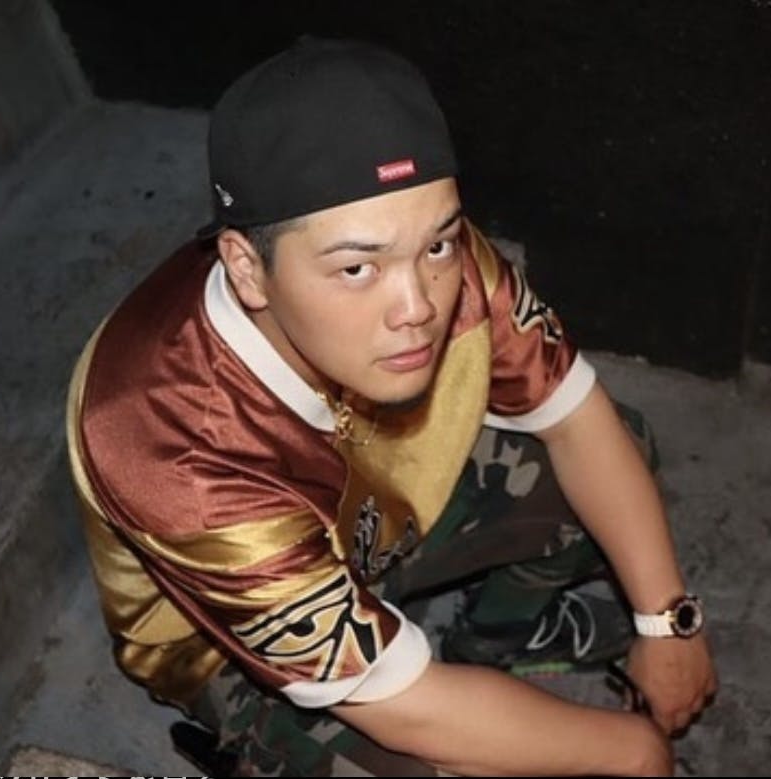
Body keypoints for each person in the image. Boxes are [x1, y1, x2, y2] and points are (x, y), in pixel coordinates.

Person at [66, 34, 716, 777]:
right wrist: (635, 753)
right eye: (356, 268)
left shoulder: (431, 258)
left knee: (617, 449)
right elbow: (405, 704)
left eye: (437, 244)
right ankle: (252, 743)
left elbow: (578, 419)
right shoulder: (168, 441)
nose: (417, 307)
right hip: (228, 636)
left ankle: (494, 641)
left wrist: (668, 622)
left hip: (372, 515)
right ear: (245, 268)